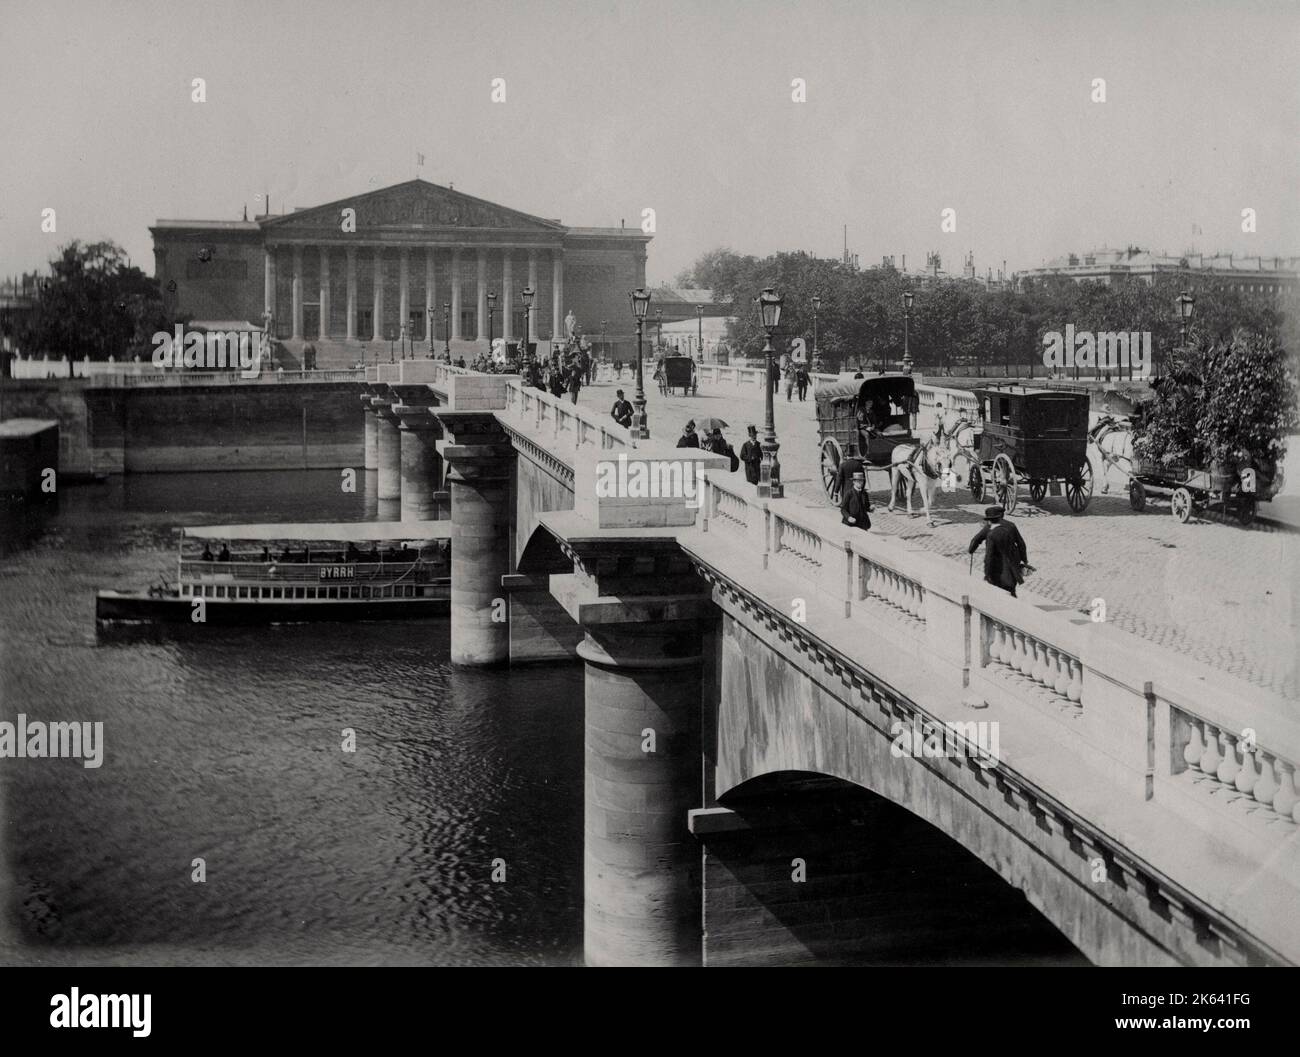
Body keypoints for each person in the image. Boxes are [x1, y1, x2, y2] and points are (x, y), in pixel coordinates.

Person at [968, 505, 1029, 597]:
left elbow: (977, 540)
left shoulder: (989, 528)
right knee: (1010, 584)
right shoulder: (1011, 526)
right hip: (1012, 560)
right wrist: (1024, 559)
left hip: (997, 563)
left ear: (989, 519)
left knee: (997, 585)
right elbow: (1021, 543)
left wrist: (971, 550)